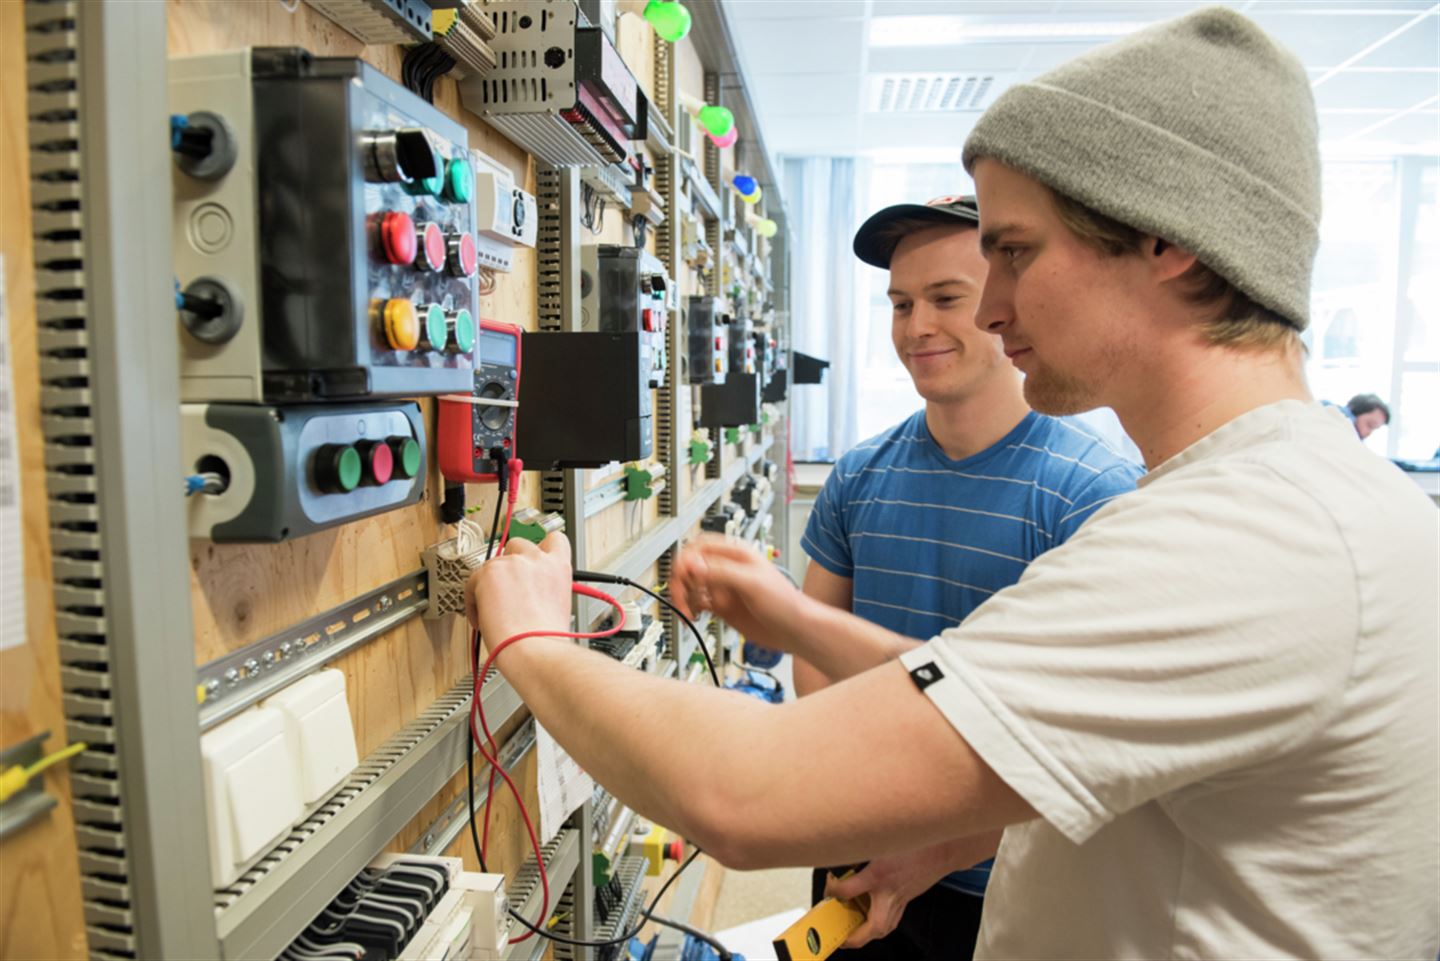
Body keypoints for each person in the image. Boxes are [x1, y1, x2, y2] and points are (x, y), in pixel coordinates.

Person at [467, 8, 1438, 957]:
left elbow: (745, 794)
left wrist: (533, 639)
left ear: (1168, 239)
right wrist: (957, 840)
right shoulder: (1314, 502)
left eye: (1013, 252)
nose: (993, 302)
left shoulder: (1243, 539)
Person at [796, 195, 1141, 958]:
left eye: (945, 298)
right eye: (900, 303)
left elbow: (1085, 739)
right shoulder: (859, 474)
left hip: (1008, 888)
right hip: (861, 849)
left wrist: (936, 843)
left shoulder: (1094, 492)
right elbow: (813, 655)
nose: (916, 326)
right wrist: (852, 812)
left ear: (1005, 305)